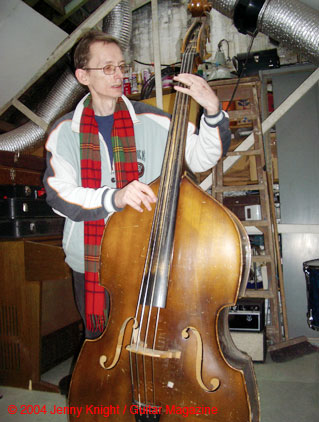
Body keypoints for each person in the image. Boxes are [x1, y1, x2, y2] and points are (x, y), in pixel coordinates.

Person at [43, 29, 231, 340]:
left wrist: (212, 110)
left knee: (155, 340)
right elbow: (59, 195)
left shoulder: (155, 119)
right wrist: (113, 198)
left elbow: (200, 157)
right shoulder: (63, 131)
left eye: (120, 65)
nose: (118, 75)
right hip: (92, 260)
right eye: (107, 68)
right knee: (101, 343)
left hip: (151, 255)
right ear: (82, 75)